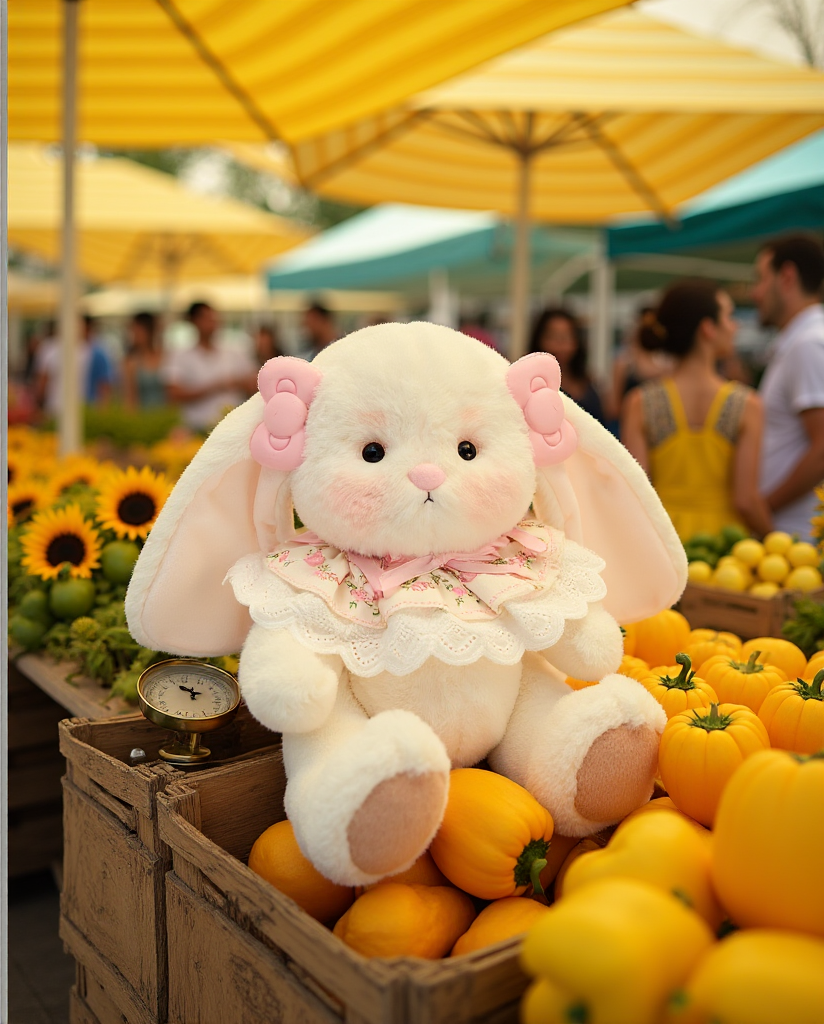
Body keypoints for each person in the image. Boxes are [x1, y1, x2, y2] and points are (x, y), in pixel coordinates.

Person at [621, 279, 772, 541]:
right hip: (727, 547)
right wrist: (775, 538)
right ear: (707, 328)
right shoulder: (747, 404)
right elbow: (745, 500)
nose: (735, 326)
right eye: (728, 317)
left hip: (666, 544)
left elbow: (636, 495)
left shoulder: (640, 403)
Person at [752, 233, 824, 542]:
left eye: (760, 278)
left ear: (787, 277)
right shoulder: (802, 341)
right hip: (790, 538)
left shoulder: (808, 344)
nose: (755, 292)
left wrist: (762, 508)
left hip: (795, 538)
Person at [162, 301, 257, 433]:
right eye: (207, 319)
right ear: (194, 321)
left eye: (214, 318)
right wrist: (215, 386)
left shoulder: (234, 351)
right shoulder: (180, 355)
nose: (213, 323)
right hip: (196, 427)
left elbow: (255, 382)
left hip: (234, 428)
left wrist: (238, 383)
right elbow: (173, 393)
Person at [529, 307, 605, 423]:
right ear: (539, 340)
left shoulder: (587, 381)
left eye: (567, 337)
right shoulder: (531, 384)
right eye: (553, 337)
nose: (561, 345)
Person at [34, 315, 114, 418]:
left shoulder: (91, 351)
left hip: (81, 409)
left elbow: (103, 385)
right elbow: (42, 382)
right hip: (57, 409)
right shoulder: (50, 349)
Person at [123, 311, 166, 409]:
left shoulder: (164, 355)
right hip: (143, 415)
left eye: (137, 330)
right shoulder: (131, 361)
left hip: (166, 414)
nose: (134, 334)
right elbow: (130, 397)